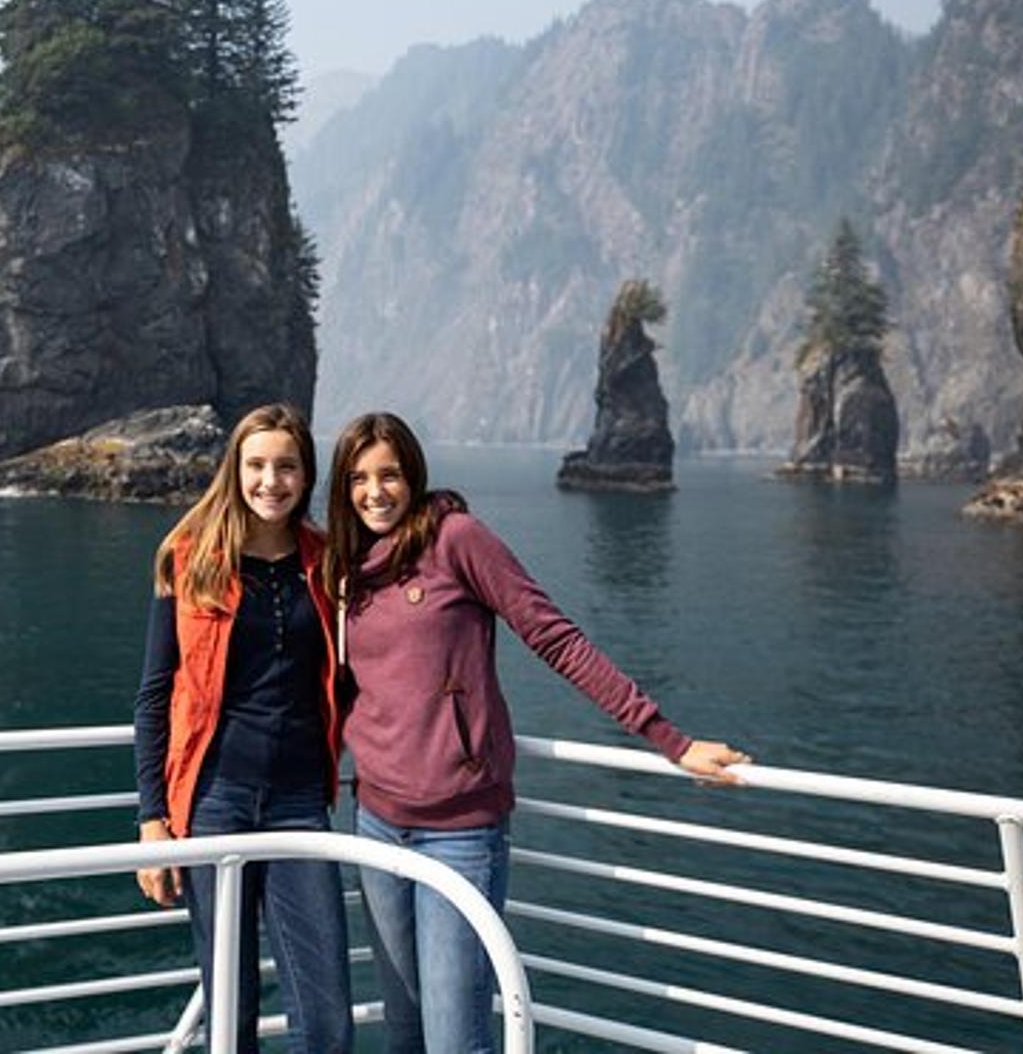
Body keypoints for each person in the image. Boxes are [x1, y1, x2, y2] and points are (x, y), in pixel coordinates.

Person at [320, 411, 747, 1054]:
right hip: (376, 821)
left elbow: (556, 639)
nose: (375, 491)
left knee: (454, 1038)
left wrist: (669, 739)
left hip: (459, 831)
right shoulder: (345, 569)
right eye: (358, 478)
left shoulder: (455, 540)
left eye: (390, 474)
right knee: (403, 1028)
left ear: (414, 475)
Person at [131, 404, 353, 1053]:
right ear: (235, 469)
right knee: (231, 1012)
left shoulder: (328, 562)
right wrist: (152, 819)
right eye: (256, 465)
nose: (270, 481)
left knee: (329, 1019)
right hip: (215, 801)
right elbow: (153, 696)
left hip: (300, 803)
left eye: (286, 466)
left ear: (305, 474)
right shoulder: (188, 557)